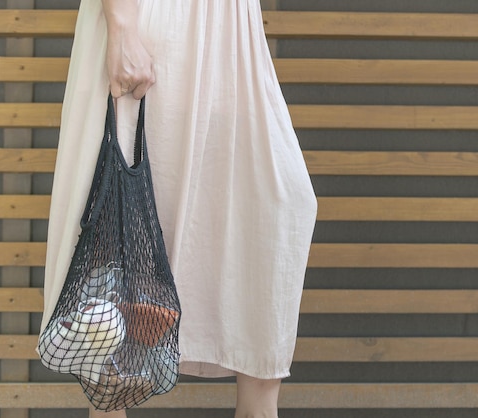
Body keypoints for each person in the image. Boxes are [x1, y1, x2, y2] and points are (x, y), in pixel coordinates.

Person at [40, 0, 318, 417]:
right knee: (116, 264)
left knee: (279, 207)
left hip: (232, 36)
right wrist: (122, 26)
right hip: (150, 25)